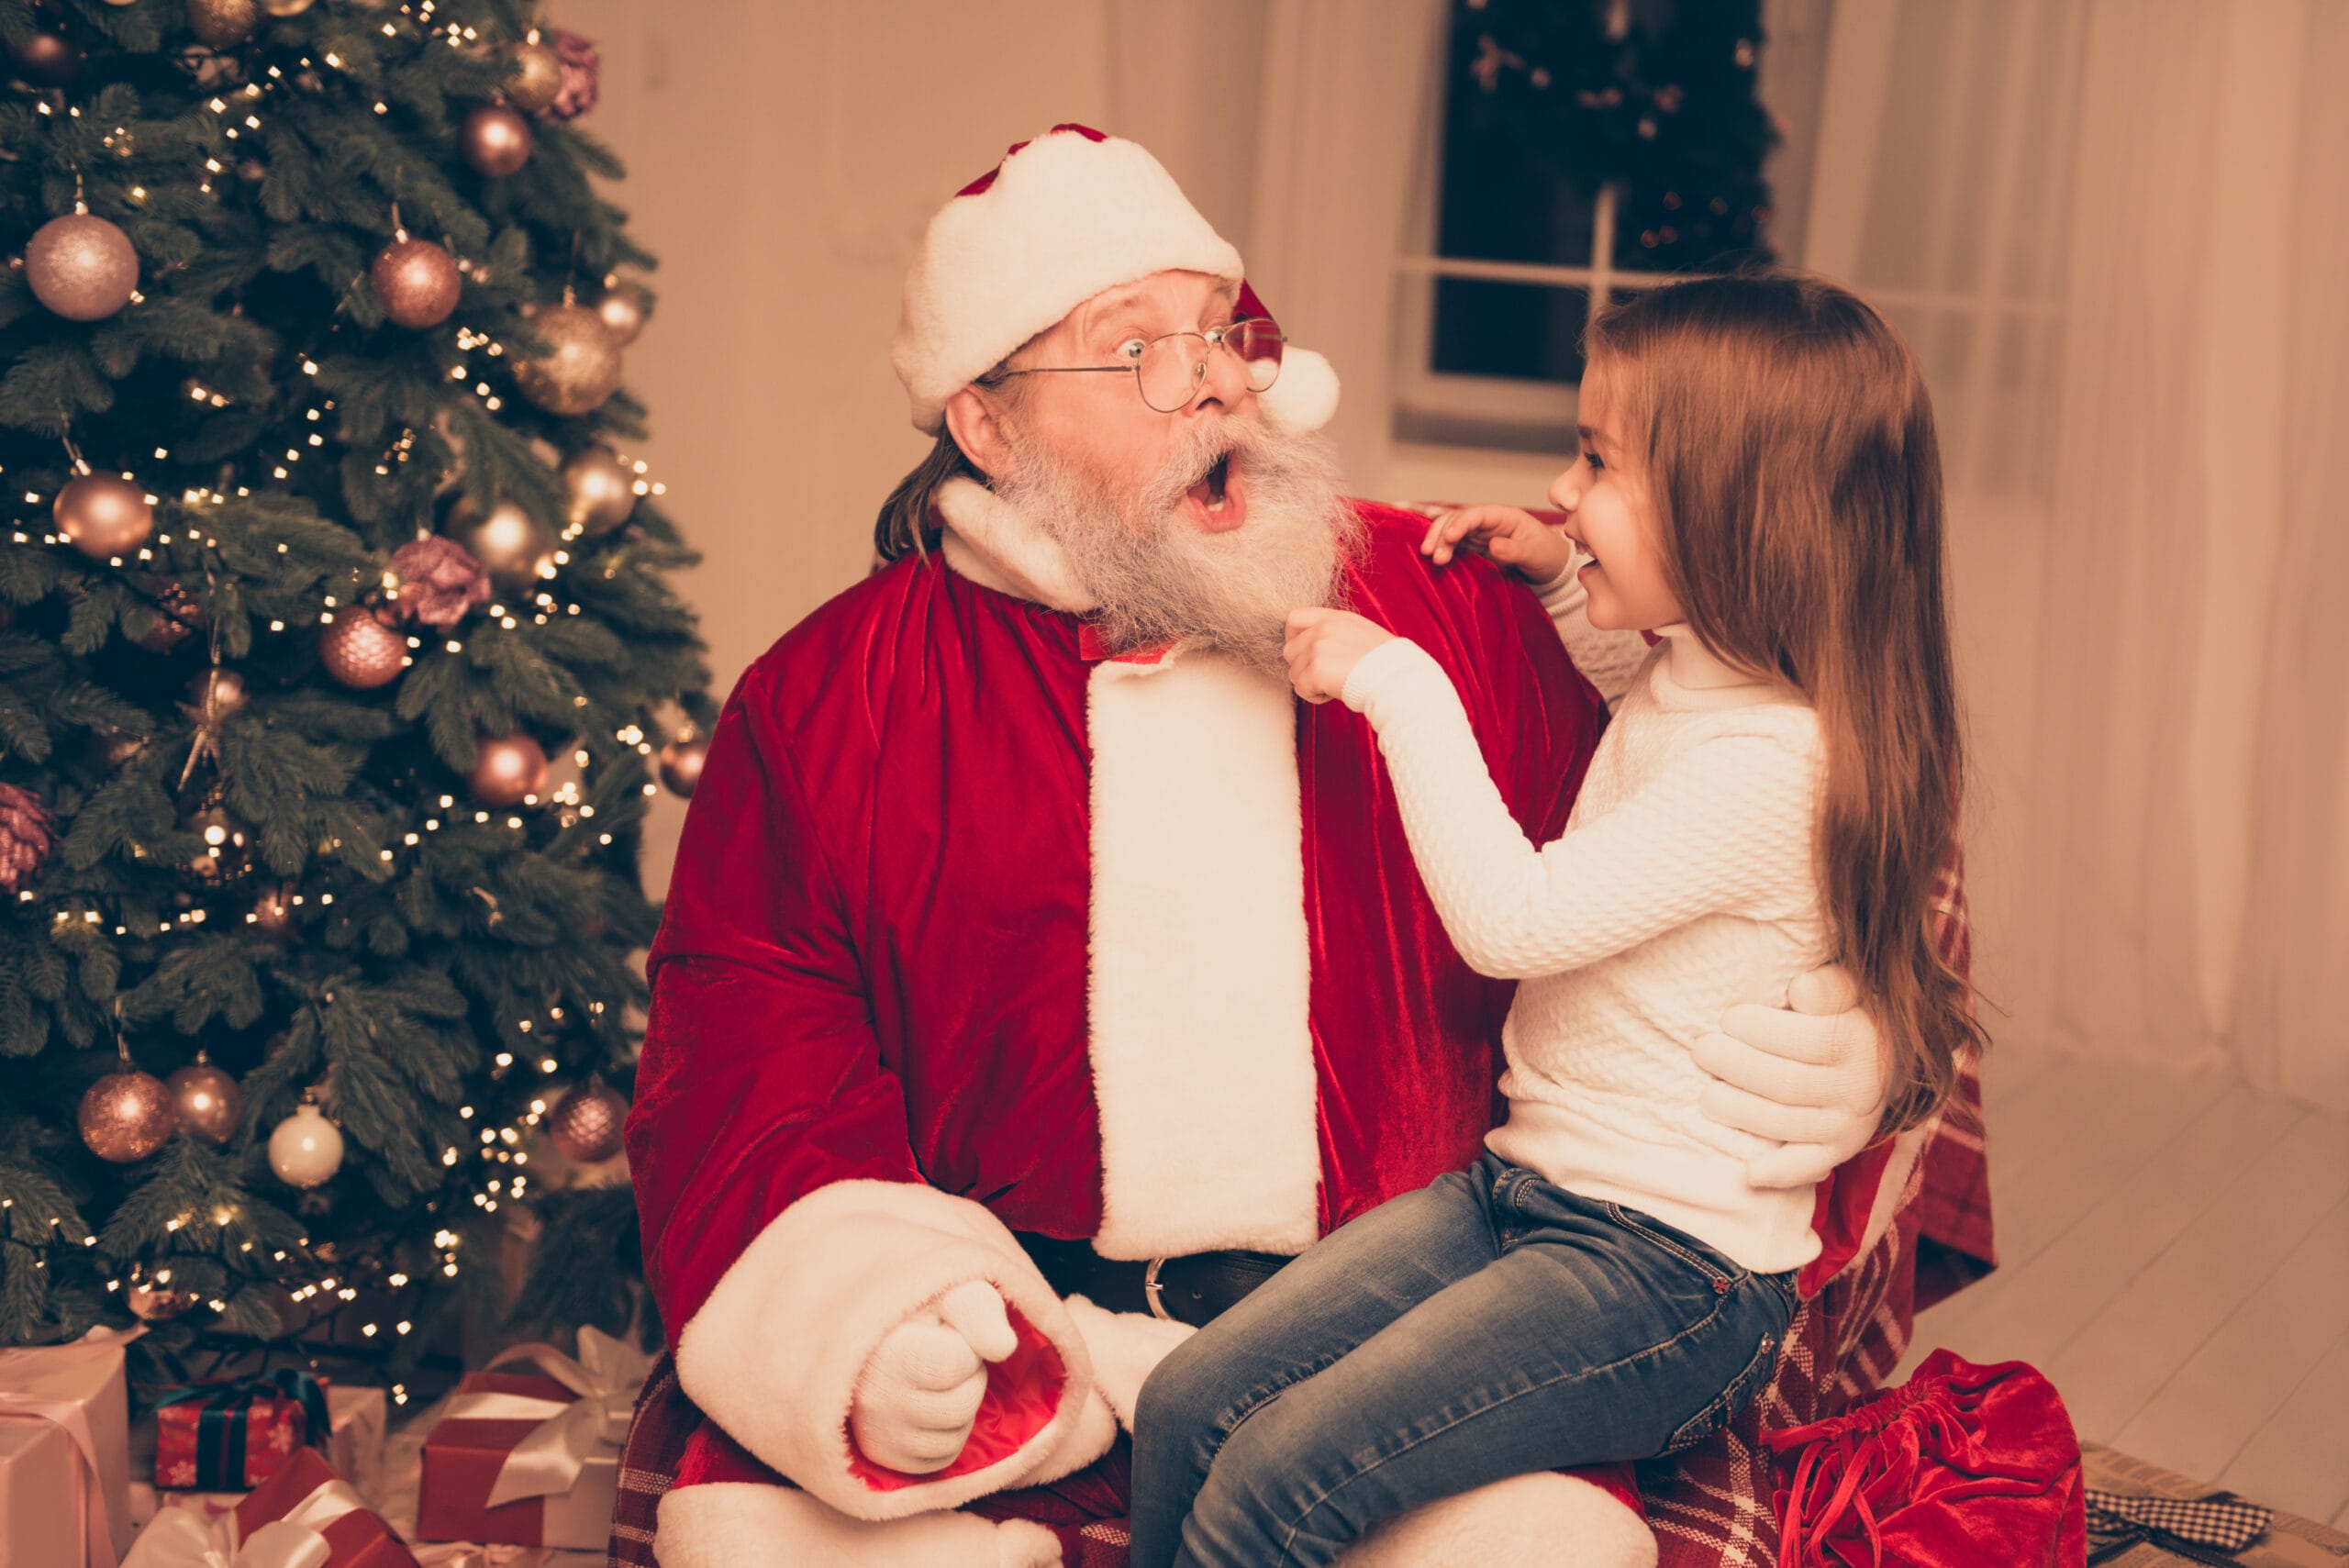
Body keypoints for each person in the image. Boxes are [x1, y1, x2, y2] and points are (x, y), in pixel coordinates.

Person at [619, 128, 1905, 1568]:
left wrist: (1862, 1035)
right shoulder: (829, 701)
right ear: (986, 424)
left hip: (1411, 1319)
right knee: (749, 1537)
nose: (1221, 379)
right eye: (1143, 352)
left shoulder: (1442, 599)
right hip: (1021, 1325)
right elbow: (750, 1039)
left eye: (1222, 334)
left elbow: (1768, 774)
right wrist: (882, 1305)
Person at [1126, 272, 1981, 1568]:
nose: (1563, 492)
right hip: (1524, 1192)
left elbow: (1511, 921)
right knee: (1189, 1403)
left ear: (1736, 513)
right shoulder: (1708, 664)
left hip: (1667, 1278)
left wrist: (1396, 679)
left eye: (1598, 463)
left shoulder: (1782, 763)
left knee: (1276, 1481)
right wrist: (1561, 580)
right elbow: (1645, 694)